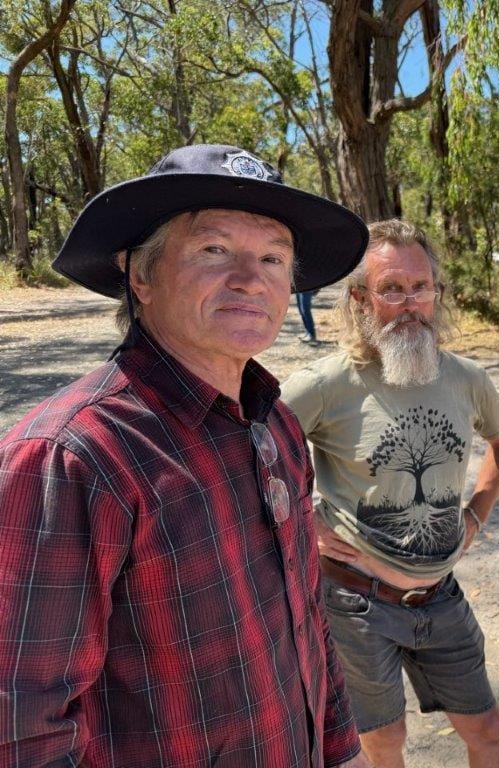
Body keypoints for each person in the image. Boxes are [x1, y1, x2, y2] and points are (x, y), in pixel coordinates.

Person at [0, 144, 372, 768]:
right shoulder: (70, 459)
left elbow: (304, 617)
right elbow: (22, 726)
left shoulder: (275, 423)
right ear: (140, 276)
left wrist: (340, 747)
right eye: (214, 249)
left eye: (274, 257)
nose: (251, 279)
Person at [281, 219, 499, 768]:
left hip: (440, 595)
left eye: (421, 287)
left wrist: (475, 518)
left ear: (436, 293)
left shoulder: (467, 378)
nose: (409, 302)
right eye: (392, 289)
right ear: (362, 299)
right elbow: (246, 458)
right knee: (382, 745)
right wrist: (302, 522)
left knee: (487, 727)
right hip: (355, 605)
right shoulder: (324, 383)